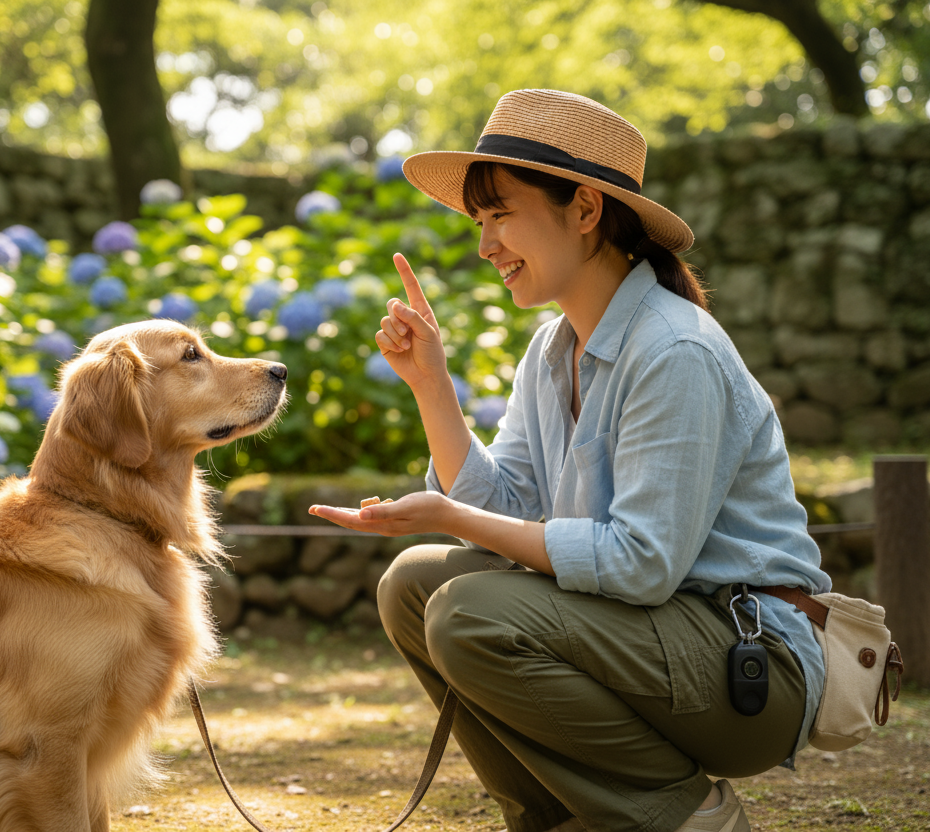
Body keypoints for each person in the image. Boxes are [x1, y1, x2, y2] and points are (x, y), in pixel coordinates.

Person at [307, 89, 831, 832]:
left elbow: (643, 562)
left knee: (467, 614)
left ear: (585, 210)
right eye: (479, 221)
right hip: (653, 641)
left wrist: (453, 515)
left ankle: (689, 816)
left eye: (502, 215)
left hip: (747, 669)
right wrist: (432, 386)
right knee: (415, 587)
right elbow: (510, 508)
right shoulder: (552, 351)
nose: (485, 245)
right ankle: (553, 820)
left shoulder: (674, 349)